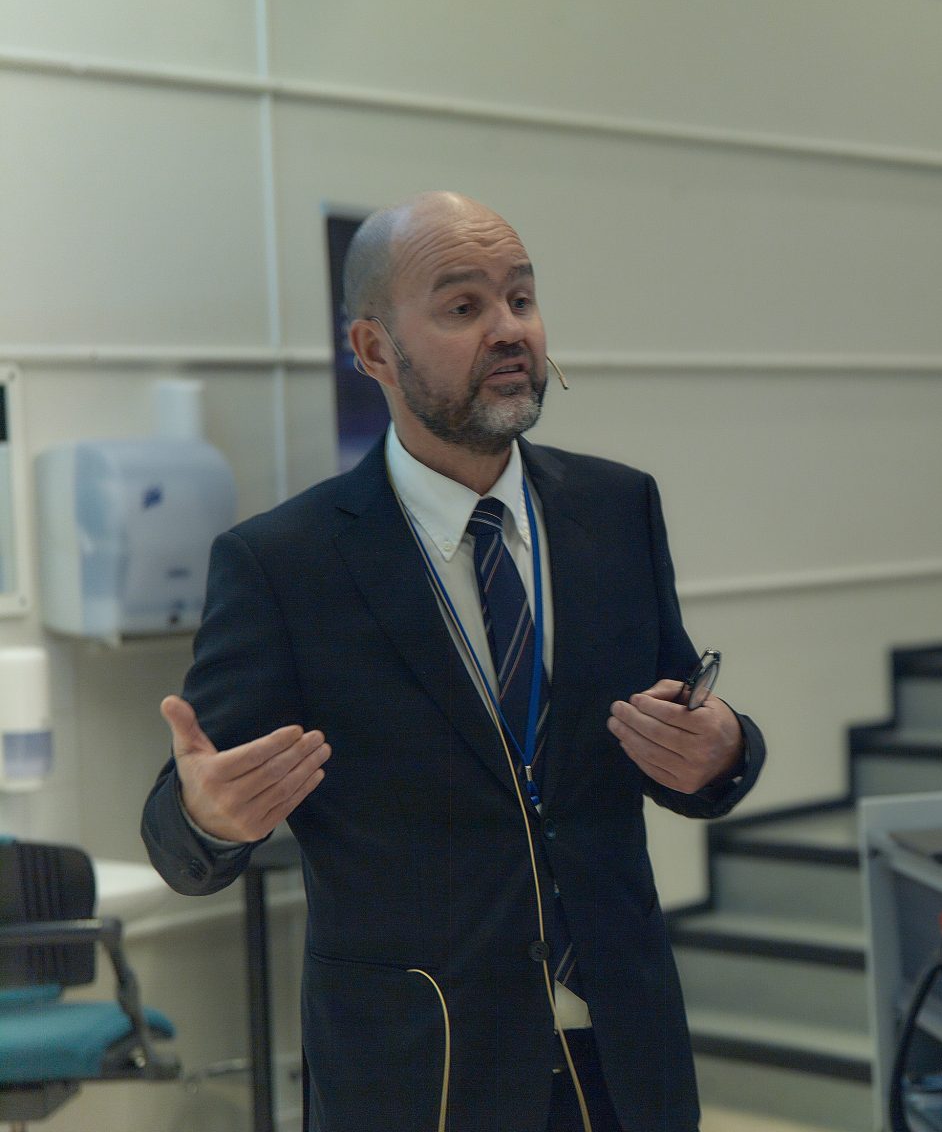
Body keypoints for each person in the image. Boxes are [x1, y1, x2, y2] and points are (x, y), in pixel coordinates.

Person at [140, 191, 766, 1132]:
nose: (509, 329)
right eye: (464, 306)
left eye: (521, 298)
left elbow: (678, 733)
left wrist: (723, 751)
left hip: (624, 1057)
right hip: (420, 1073)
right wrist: (208, 818)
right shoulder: (285, 565)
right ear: (374, 351)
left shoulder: (617, 510)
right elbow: (180, 833)